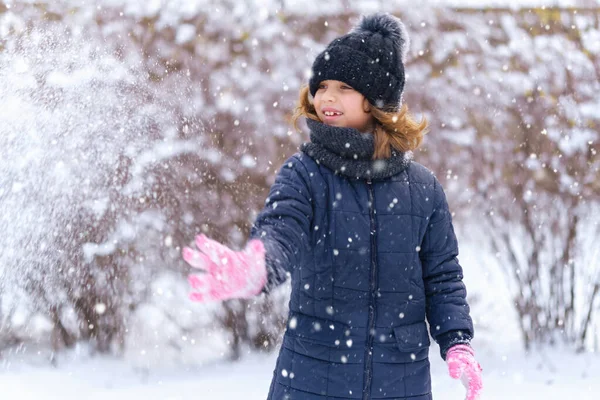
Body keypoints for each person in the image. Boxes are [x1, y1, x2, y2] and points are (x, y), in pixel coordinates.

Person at [183, 12, 483, 400]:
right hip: (312, 377)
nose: (326, 97)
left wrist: (457, 342)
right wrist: (256, 266)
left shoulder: (421, 188)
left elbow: (442, 276)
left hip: (401, 382)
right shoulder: (305, 174)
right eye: (321, 85)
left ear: (376, 99)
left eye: (343, 87)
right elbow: (280, 230)